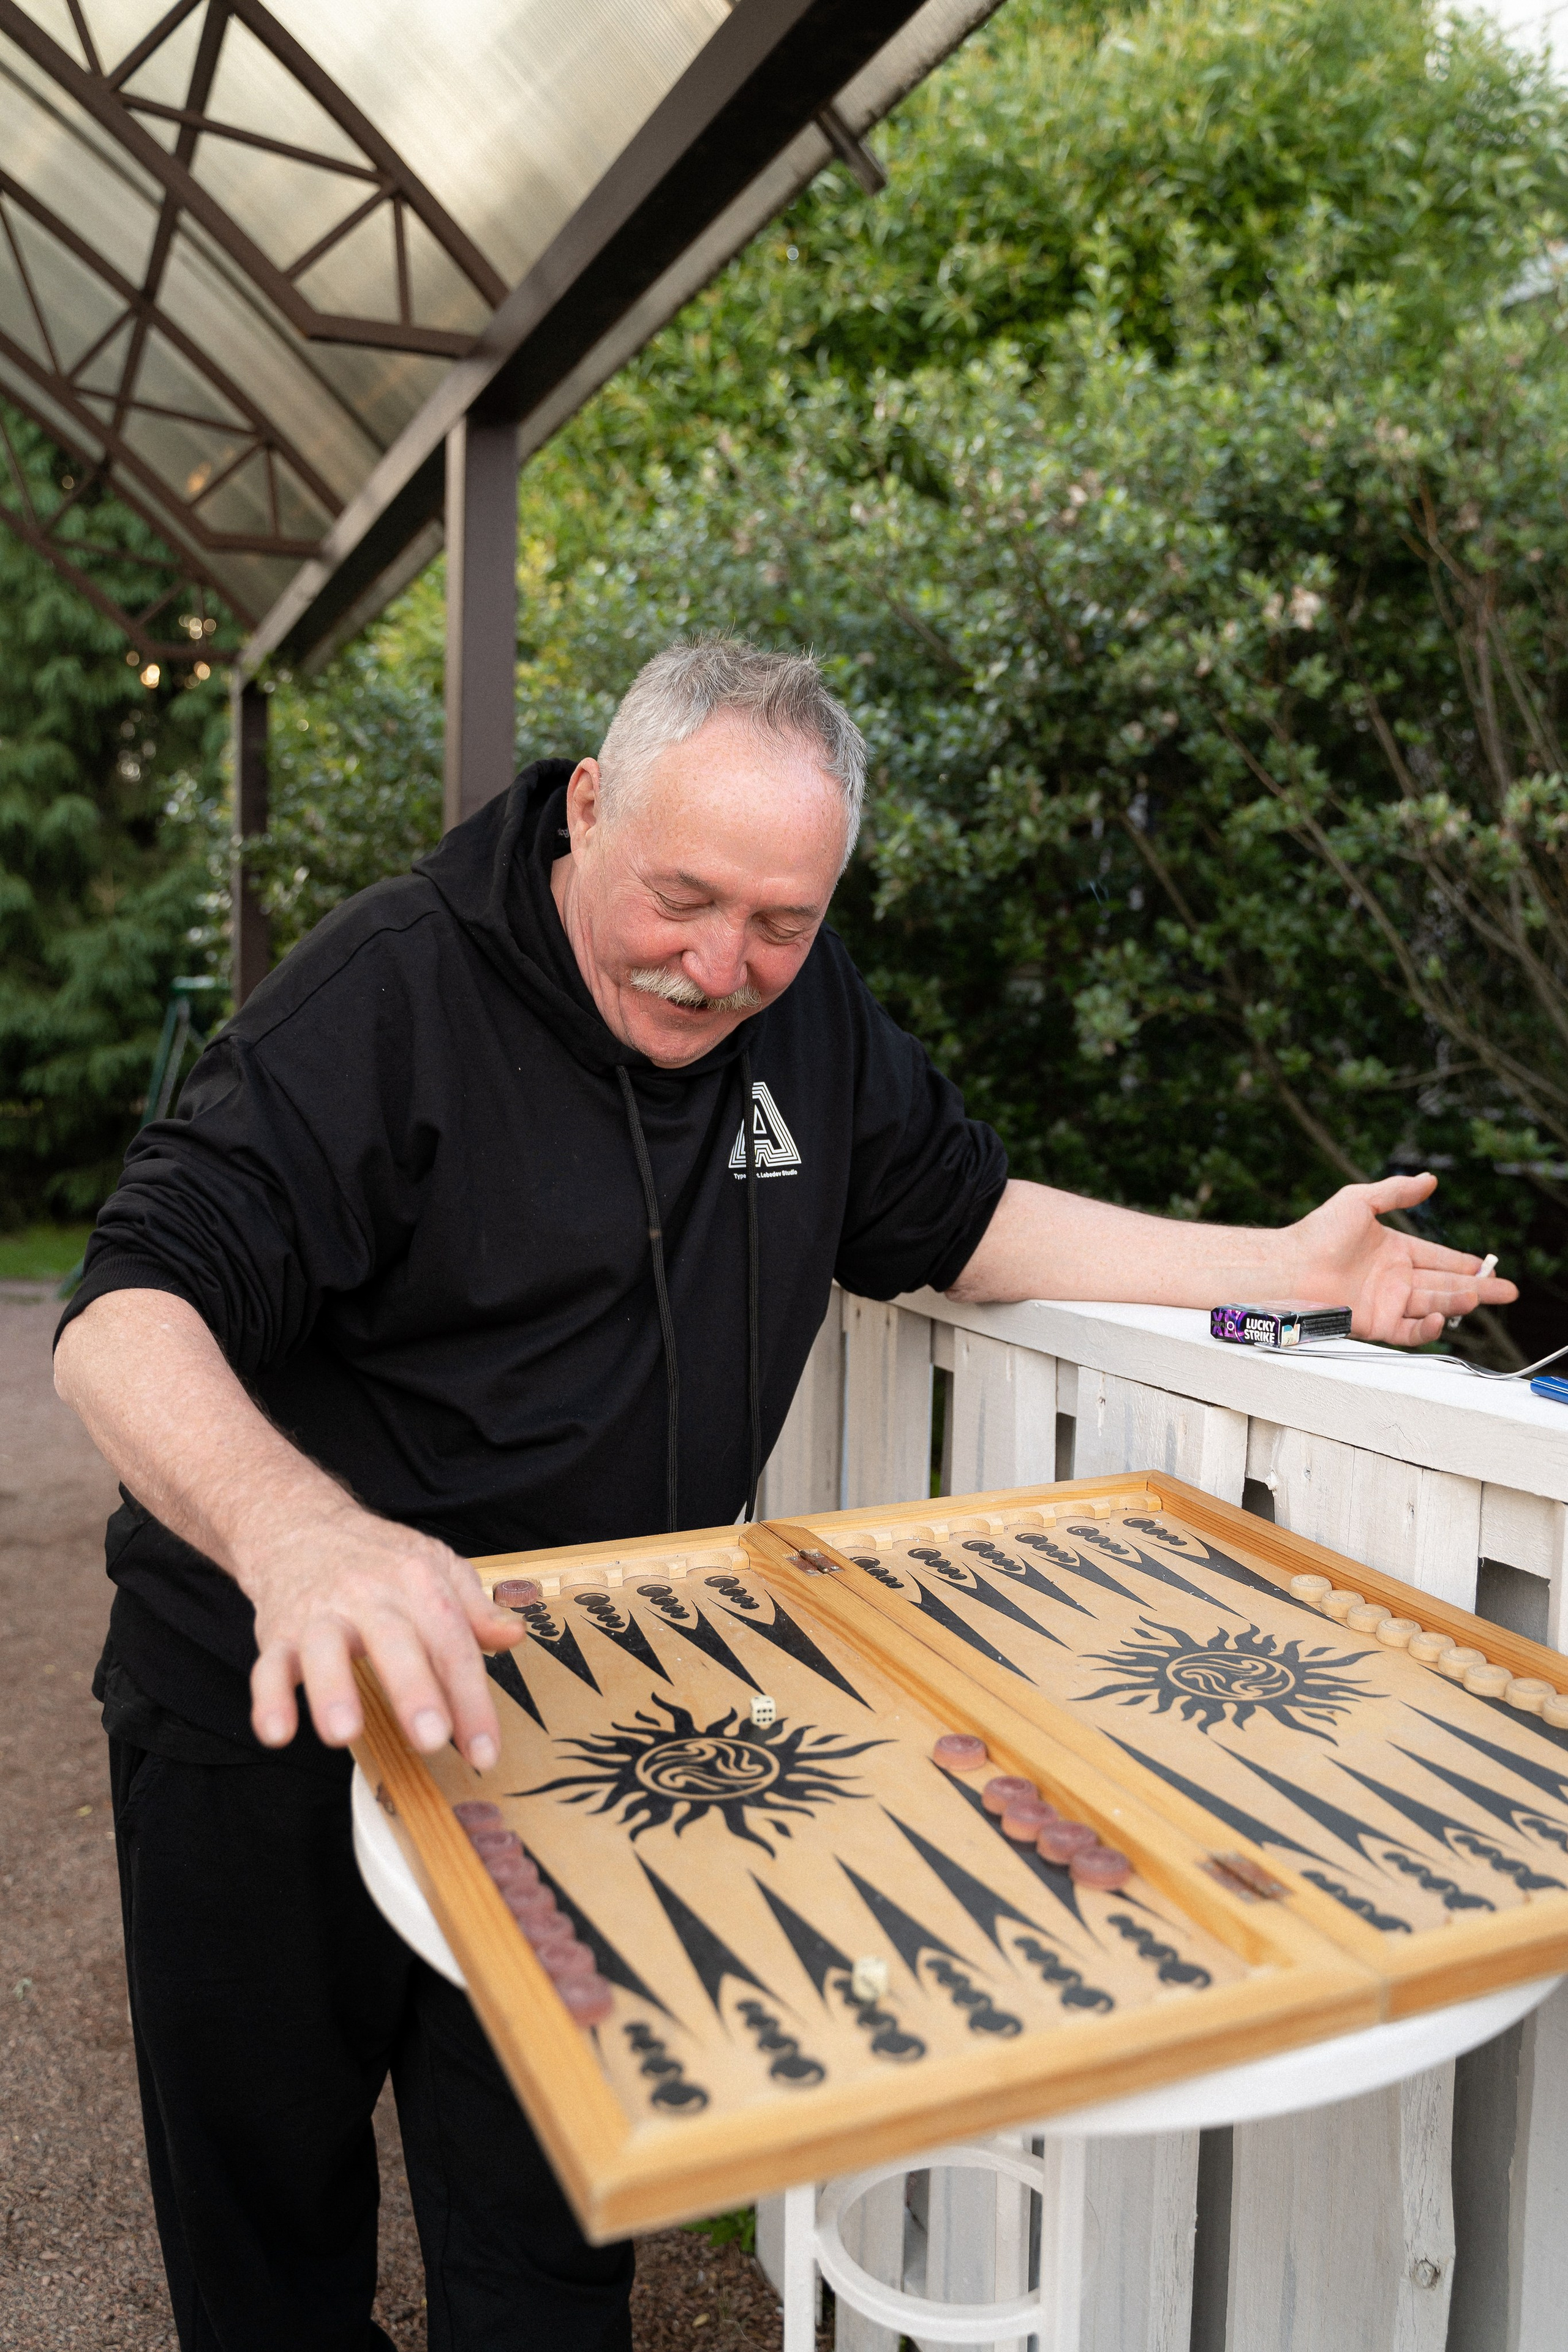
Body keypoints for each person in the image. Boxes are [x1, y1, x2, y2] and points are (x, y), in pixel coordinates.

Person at [53, 636, 1513, 2352]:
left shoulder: (801, 1014)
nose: (718, 967)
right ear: (588, 808)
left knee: (552, 2250)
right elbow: (124, 1307)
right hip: (271, 1694)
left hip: (572, 1724)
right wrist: (300, 1535)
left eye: (781, 922)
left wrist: (1285, 1266)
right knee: (268, 2241)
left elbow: (965, 1221)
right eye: (682, 899)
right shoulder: (388, 989)